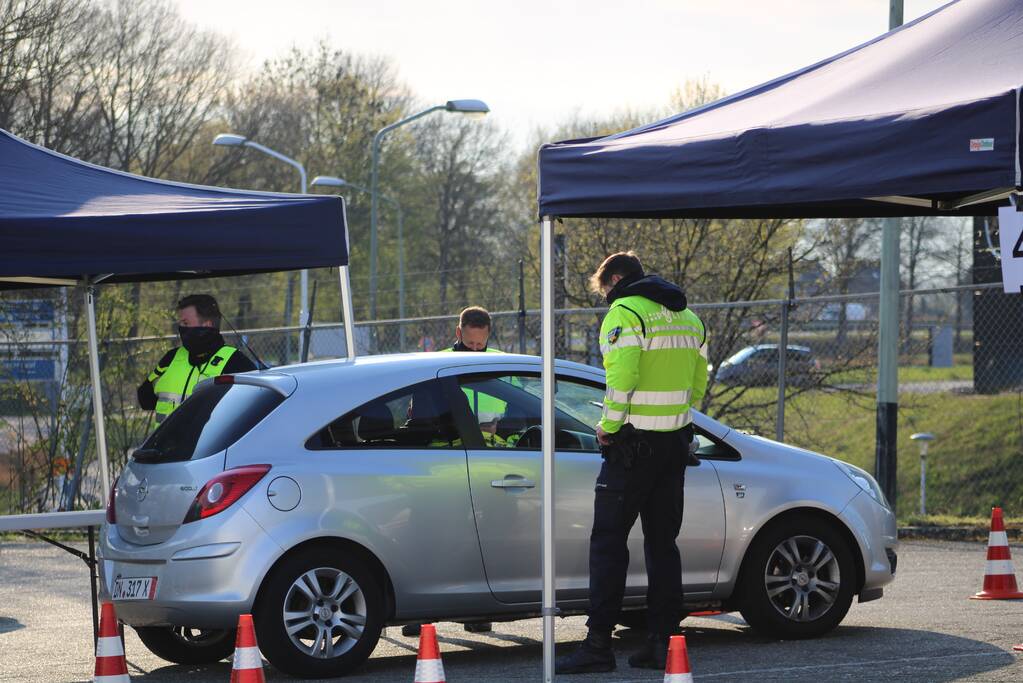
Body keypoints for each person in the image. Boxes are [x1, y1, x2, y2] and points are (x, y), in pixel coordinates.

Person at [556, 251, 707, 674]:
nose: (605, 299)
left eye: (604, 289)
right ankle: (661, 643)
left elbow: (622, 376)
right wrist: (676, 415)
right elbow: (699, 380)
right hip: (674, 445)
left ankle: (598, 645)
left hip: (631, 446)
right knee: (663, 546)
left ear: (616, 278)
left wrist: (608, 424)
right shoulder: (687, 317)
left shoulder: (626, 312)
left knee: (607, 544)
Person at [137, 294, 256, 428]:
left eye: (186, 323)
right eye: (180, 323)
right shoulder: (172, 357)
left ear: (207, 325)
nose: (181, 328)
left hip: (210, 448)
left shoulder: (236, 363)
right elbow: (144, 398)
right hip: (163, 448)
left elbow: (253, 412)